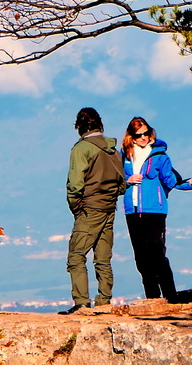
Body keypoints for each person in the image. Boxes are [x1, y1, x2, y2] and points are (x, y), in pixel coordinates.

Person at [121, 116, 192, 303]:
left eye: (146, 133)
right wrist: (127, 181)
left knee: (157, 253)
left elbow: (170, 179)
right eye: (139, 135)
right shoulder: (124, 156)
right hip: (132, 210)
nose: (143, 138)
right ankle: (153, 298)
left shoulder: (160, 155)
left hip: (155, 209)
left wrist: (189, 183)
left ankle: (171, 297)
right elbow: (116, 180)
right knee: (140, 256)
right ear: (131, 136)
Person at [59, 107, 125, 315]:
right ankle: (104, 301)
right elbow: (122, 184)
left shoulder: (82, 149)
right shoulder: (113, 150)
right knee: (103, 257)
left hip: (90, 207)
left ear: (79, 127)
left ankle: (82, 303)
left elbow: (75, 184)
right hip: (110, 207)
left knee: (76, 256)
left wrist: (76, 206)